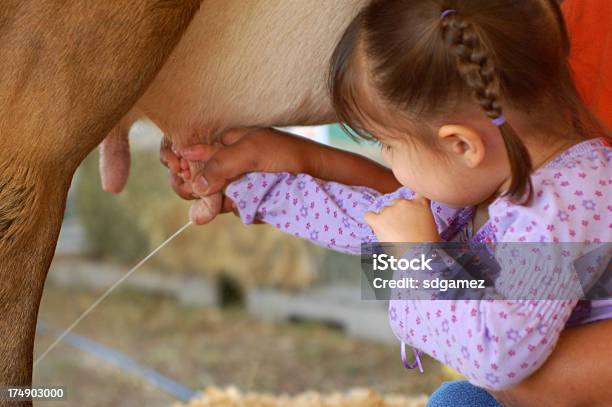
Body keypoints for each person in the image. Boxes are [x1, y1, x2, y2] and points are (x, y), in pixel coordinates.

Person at [162, 0, 611, 404]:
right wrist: (254, 186)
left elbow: (496, 355)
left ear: (461, 145)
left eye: (387, 144)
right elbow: (371, 228)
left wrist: (418, 256)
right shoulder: (500, 176)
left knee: (456, 401)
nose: (384, 158)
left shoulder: (559, 209)